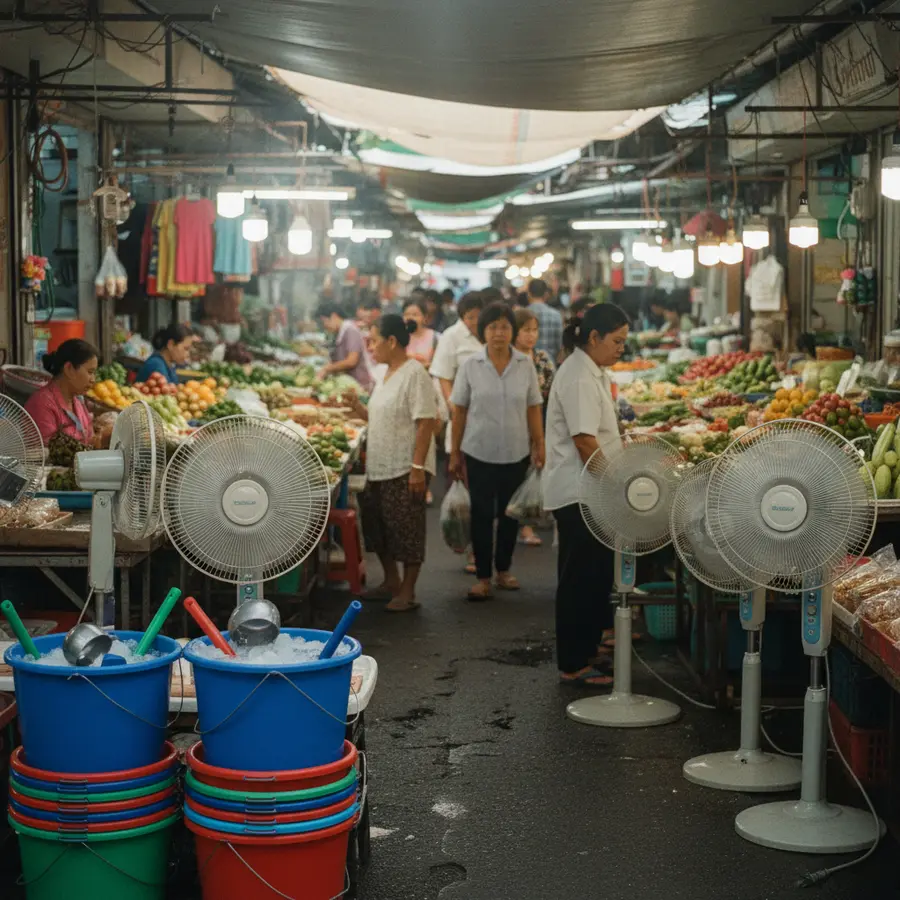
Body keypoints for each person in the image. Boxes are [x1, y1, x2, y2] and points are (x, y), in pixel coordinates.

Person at [543, 303, 630, 686]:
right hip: (578, 492)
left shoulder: (589, 370)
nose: (621, 349)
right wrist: (616, 483)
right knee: (579, 579)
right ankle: (573, 662)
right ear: (593, 338)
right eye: (616, 341)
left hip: (589, 493)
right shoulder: (578, 375)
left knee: (594, 576)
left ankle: (588, 648)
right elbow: (583, 441)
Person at [450, 303, 545, 600]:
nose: (498, 333)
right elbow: (460, 411)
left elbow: (533, 407)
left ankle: (504, 570)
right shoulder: (470, 365)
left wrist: (538, 444)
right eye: (492, 327)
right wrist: (454, 452)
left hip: (515, 451)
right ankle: (482, 577)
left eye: (504, 326)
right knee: (481, 514)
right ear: (483, 332)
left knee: (510, 514)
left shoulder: (524, 364)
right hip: (479, 450)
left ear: (512, 331)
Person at [352, 316, 437, 612]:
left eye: (374, 340)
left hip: (404, 466)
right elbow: (381, 417)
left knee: (407, 528)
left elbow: (427, 421)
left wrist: (417, 468)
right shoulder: (386, 373)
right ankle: (391, 581)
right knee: (380, 526)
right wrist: (356, 409)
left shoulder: (415, 373)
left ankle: (408, 591)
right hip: (379, 464)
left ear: (391, 341)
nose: (371, 347)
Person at [513, 307, 555, 548]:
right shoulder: (508, 360)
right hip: (514, 427)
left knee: (532, 472)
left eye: (534, 330)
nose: (531, 335)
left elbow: (552, 393)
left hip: (539, 424)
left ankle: (527, 524)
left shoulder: (542, 360)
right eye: (525, 330)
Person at [27, 339, 98, 444]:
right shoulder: (42, 404)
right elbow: (48, 452)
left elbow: (89, 441)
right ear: (69, 368)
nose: (93, 379)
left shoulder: (77, 402)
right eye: (90, 372)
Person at [317, 300, 373, 391]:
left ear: (334, 316)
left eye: (325, 321)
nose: (325, 326)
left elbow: (352, 361)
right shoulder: (340, 331)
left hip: (360, 385)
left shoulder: (350, 330)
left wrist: (328, 368)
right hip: (350, 385)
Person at [526, 279, 564, 364]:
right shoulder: (556, 315)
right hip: (550, 366)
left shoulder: (522, 314)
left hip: (526, 364)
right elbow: (559, 345)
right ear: (546, 294)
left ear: (528, 294)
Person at [403, 299, 438, 368]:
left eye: (415, 315)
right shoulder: (399, 337)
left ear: (425, 317)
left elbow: (439, 365)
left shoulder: (435, 337)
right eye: (406, 314)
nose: (410, 318)